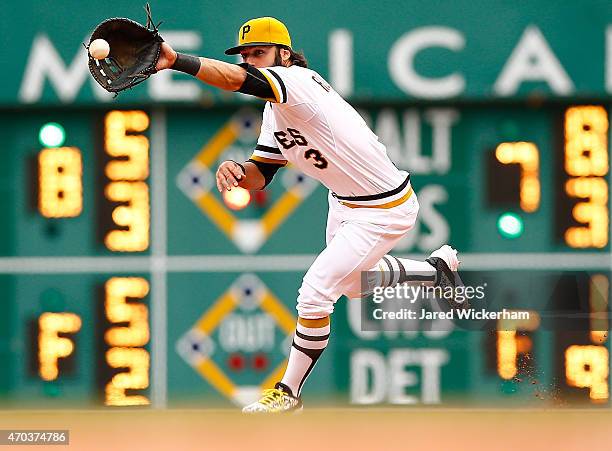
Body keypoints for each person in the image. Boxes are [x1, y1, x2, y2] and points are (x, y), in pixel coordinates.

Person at [156, 16, 460, 413]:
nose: (251, 62)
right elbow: (261, 175)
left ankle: (287, 394)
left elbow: (234, 81)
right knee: (351, 286)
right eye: (246, 55)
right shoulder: (274, 109)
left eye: (259, 54)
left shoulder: (297, 82)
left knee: (315, 291)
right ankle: (434, 271)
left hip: (384, 208)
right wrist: (237, 171)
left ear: (283, 54)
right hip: (345, 203)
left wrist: (177, 60)